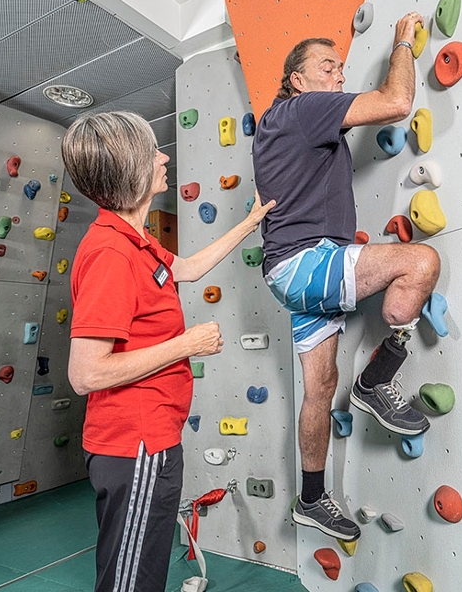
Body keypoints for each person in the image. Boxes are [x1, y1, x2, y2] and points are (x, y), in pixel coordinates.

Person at [61, 111, 274, 592]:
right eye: (154, 149)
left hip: (152, 438)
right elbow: (86, 373)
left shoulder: (135, 241)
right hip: (133, 444)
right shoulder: (111, 255)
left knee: (145, 570)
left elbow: (190, 268)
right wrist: (186, 344)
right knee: (130, 580)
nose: (164, 157)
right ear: (130, 167)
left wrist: (251, 221)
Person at [251, 12, 441, 541]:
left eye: (340, 67)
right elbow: (397, 102)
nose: (338, 75)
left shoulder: (280, 124)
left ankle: (311, 500)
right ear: (297, 80)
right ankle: (378, 380)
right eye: (327, 66)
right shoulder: (302, 110)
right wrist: (403, 41)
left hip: (292, 271)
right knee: (420, 262)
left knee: (319, 389)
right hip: (307, 260)